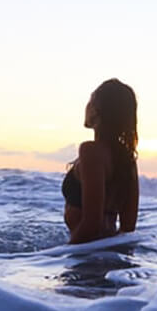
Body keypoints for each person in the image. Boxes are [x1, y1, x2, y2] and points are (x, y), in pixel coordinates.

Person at [62, 78, 139, 243]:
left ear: (97, 110)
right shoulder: (127, 159)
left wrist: (63, 254)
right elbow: (128, 227)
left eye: (91, 99)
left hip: (86, 255)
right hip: (107, 253)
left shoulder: (91, 151)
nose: (86, 106)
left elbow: (92, 224)